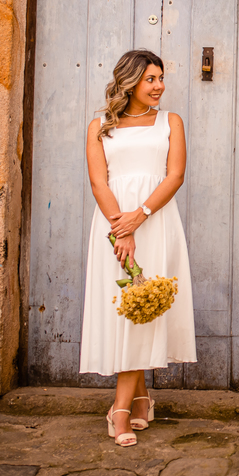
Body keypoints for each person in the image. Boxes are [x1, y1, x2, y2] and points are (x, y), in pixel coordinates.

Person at [80, 49, 197, 447]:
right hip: (114, 226)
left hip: (156, 220)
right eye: (150, 79)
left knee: (146, 307)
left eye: (161, 77)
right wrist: (121, 229)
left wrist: (141, 215)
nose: (159, 86)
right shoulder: (100, 126)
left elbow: (175, 174)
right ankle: (135, 401)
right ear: (130, 81)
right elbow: (100, 182)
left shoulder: (171, 122)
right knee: (127, 312)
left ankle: (122, 407)